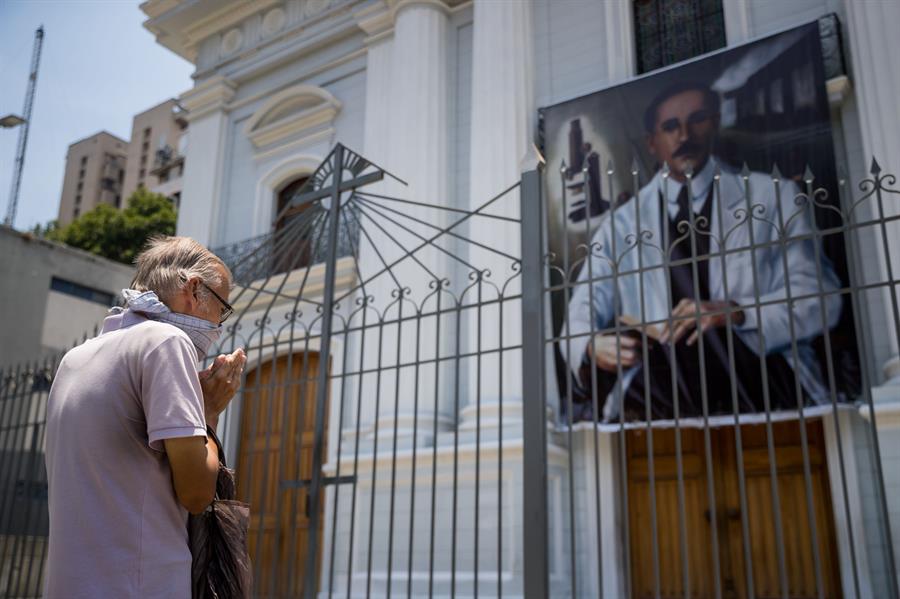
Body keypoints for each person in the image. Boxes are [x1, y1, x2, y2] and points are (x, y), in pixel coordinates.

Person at [561, 81, 842, 422]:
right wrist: (591, 345)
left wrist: (738, 312)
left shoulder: (772, 197)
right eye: (670, 127)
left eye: (696, 119)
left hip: (766, 383)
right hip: (657, 399)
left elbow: (821, 297)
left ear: (715, 123)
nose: (684, 135)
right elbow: (581, 310)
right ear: (652, 142)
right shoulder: (620, 225)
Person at [44, 236, 248, 598]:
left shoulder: (74, 358)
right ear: (194, 290)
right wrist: (209, 411)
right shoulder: (166, 341)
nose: (220, 324)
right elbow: (197, 494)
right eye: (222, 307)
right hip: (139, 584)